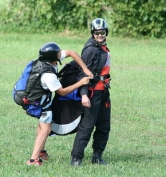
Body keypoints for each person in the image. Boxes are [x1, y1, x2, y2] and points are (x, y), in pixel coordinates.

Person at [27, 42, 93, 166]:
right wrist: (81, 83)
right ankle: (33, 160)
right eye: (58, 53)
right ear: (53, 58)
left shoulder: (48, 60)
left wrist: (85, 69)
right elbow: (62, 92)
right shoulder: (48, 75)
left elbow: (71, 53)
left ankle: (41, 152)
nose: (61, 53)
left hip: (39, 97)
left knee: (42, 125)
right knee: (46, 128)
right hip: (38, 101)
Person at [70, 18, 111, 166]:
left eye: (102, 32)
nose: (99, 35)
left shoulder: (102, 47)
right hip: (93, 94)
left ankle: (97, 156)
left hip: (104, 92)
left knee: (104, 126)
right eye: (96, 33)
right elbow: (83, 73)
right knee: (87, 126)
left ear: (106, 32)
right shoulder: (91, 49)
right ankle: (76, 158)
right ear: (92, 33)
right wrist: (84, 94)